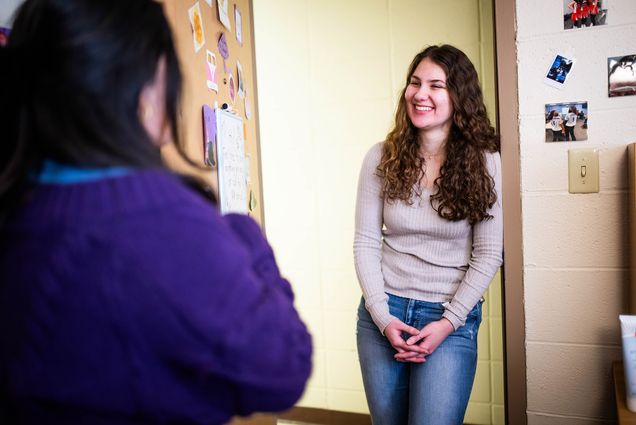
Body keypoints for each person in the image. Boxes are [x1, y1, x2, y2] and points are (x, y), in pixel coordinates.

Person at [0, 0, 311, 423]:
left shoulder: (20, 210)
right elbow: (283, 369)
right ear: (145, 87)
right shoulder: (164, 225)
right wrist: (244, 230)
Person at [354, 44, 503, 425]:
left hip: (448, 319)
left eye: (436, 85)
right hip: (383, 314)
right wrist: (383, 317)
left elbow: (488, 254)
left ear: (459, 96)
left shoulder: (485, 161)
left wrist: (449, 322)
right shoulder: (380, 157)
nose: (420, 94)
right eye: (415, 82)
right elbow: (366, 242)